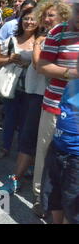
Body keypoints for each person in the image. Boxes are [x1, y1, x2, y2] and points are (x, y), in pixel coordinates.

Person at [33, 0, 77, 218]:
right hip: (56, 105)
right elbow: (42, 66)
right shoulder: (59, 31)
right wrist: (72, 74)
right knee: (47, 154)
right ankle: (42, 198)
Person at [0, 8, 43, 160]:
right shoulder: (12, 39)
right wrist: (10, 59)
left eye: (33, 19)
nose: (29, 22)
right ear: (21, 20)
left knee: (26, 121)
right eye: (26, 18)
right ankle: (5, 146)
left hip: (33, 87)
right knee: (9, 117)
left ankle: (22, 151)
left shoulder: (41, 41)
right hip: (12, 85)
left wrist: (25, 63)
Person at [40, 77, 79, 224]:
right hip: (57, 146)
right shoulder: (72, 83)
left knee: (72, 203)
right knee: (52, 194)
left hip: (75, 156)